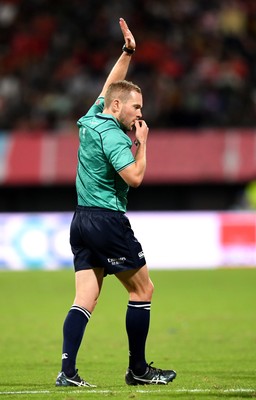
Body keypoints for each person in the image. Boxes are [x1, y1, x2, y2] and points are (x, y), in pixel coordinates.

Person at [55, 17, 176, 387]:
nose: (140, 113)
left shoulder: (94, 117)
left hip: (81, 222)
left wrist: (127, 53)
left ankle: (68, 372)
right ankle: (138, 370)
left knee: (85, 299)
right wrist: (143, 143)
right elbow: (134, 179)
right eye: (136, 107)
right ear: (119, 107)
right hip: (107, 221)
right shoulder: (116, 137)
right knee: (143, 290)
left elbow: (110, 87)